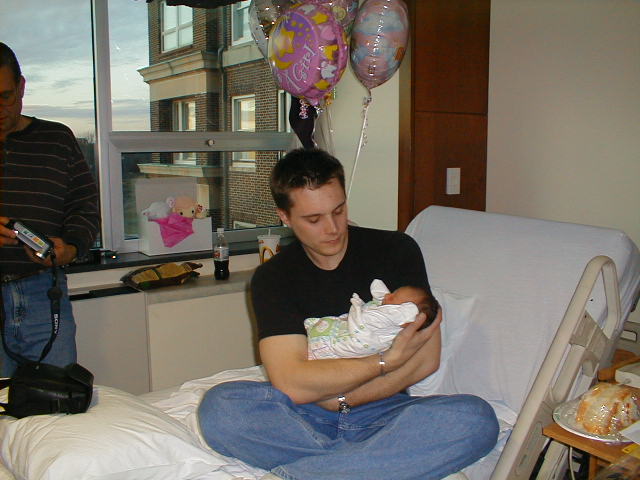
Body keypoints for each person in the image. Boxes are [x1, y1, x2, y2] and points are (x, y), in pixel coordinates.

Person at [198, 148, 498, 480]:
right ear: (285, 217)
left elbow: (427, 359)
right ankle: (361, 466)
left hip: (386, 414)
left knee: (476, 418)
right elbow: (292, 384)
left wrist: (342, 399)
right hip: (302, 415)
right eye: (314, 219)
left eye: (338, 210)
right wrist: (386, 362)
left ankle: (320, 470)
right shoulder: (273, 277)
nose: (332, 228)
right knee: (221, 408)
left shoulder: (396, 250)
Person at [0, 42, 99, 377]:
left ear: (21, 86)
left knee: (57, 399)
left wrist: (70, 248)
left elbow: (85, 206)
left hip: (43, 292)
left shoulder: (57, 139)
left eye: (5, 96)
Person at [305, 279, 439, 360]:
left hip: (355, 340)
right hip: (341, 329)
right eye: (392, 293)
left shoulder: (389, 323)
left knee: (323, 347)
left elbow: (369, 319)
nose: (387, 296)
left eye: (393, 298)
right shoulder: (385, 309)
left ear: (404, 314)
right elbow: (379, 293)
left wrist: (357, 306)